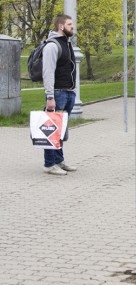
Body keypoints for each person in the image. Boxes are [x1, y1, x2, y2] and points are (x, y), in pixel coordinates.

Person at [42, 14, 77, 175]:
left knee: (61, 130)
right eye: (70, 24)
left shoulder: (67, 44)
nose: (72, 27)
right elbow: (48, 72)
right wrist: (50, 97)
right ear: (61, 26)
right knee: (52, 130)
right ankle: (49, 164)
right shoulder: (52, 45)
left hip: (68, 92)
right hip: (57, 93)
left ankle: (59, 160)